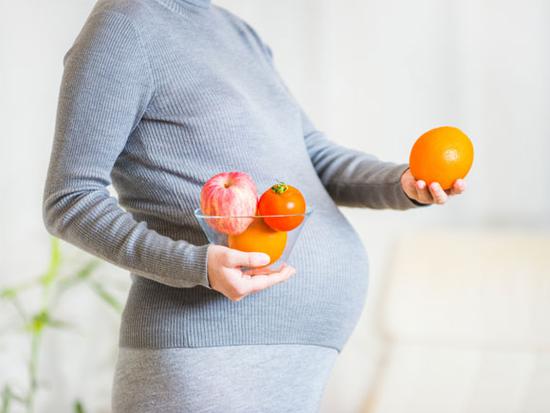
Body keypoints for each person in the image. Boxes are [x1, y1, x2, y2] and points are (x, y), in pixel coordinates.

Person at [42, 0, 466, 411]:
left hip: (297, 361)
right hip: (207, 354)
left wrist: (403, 184)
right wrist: (196, 264)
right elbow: (70, 199)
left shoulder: (237, 32)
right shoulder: (124, 25)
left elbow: (312, 155)